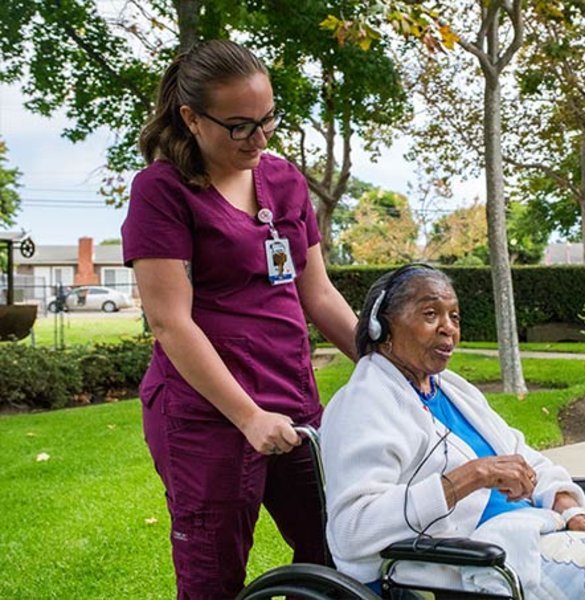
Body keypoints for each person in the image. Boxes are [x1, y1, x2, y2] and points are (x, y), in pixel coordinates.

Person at [320, 265, 585, 599]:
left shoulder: (452, 390)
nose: (449, 329)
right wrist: (471, 477)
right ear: (381, 326)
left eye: (454, 316)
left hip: (532, 529)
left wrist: (570, 507)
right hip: (467, 565)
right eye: (431, 315)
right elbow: (353, 529)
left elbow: (522, 455)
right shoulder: (365, 403)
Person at [121, 40, 357, 599]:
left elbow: (317, 293)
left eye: (268, 117)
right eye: (239, 125)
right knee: (214, 581)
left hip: (294, 405)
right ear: (191, 118)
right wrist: (248, 416)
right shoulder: (161, 191)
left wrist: (391, 365)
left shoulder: (286, 182)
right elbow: (171, 323)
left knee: (341, 550)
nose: (260, 137)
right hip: (206, 418)